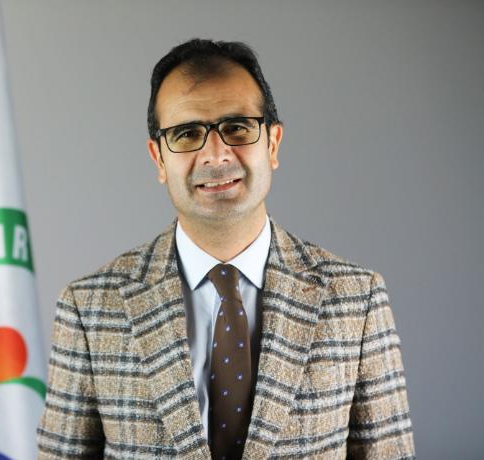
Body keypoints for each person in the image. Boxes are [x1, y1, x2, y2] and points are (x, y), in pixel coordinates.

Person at [37, 39, 415, 459]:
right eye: (187, 134)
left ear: (272, 144)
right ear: (158, 159)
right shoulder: (88, 308)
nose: (215, 155)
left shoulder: (358, 300)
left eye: (237, 127)